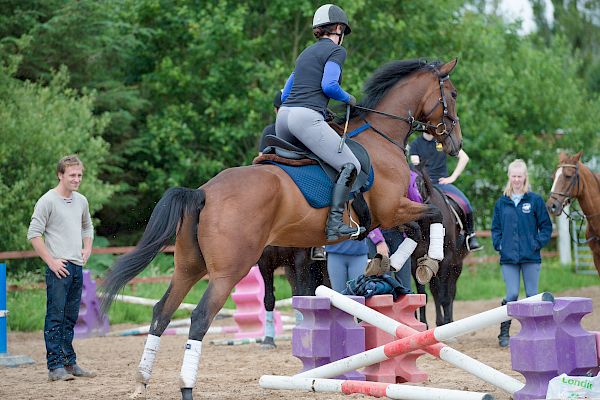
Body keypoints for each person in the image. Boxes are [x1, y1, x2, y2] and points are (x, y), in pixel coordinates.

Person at [276, 4, 364, 241]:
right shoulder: (336, 52)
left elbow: (284, 94)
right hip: (304, 118)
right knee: (350, 165)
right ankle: (335, 224)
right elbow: (329, 86)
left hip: (282, 118)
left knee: (315, 163)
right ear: (338, 28)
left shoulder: (305, 53)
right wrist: (349, 98)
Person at [27, 155, 97, 381]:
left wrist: (87, 248)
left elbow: (88, 226)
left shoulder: (81, 201)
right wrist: (51, 261)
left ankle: (69, 363)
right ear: (60, 175)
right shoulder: (47, 200)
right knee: (55, 317)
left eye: (79, 175)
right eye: (72, 175)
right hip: (58, 268)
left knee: (70, 318)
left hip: (76, 267)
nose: (77, 179)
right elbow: (34, 234)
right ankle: (54, 366)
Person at [491, 159, 552, 347]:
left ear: (525, 177)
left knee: (533, 295)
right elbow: (496, 228)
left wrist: (536, 244)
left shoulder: (534, 200)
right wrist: (499, 244)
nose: (516, 179)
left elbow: (546, 227)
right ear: (509, 177)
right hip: (508, 258)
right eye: (513, 176)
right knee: (512, 295)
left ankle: (536, 333)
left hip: (531, 257)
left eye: (520, 176)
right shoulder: (502, 202)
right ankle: (504, 334)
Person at [409, 132, 482, 251]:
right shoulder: (415, 144)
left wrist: (453, 177)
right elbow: (416, 165)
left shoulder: (443, 141)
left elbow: (464, 157)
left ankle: (470, 235)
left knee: (465, 204)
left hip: (442, 183)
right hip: (423, 186)